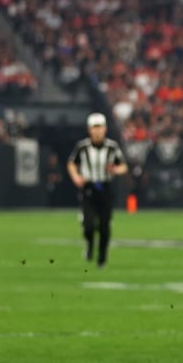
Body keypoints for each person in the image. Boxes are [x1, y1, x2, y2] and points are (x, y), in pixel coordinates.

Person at [67, 112, 128, 268]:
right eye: (95, 127)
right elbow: (72, 163)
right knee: (88, 225)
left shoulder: (112, 147)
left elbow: (123, 166)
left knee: (104, 226)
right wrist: (76, 178)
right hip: (88, 188)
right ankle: (89, 245)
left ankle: (102, 258)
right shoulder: (83, 147)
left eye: (100, 127)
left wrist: (115, 170)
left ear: (105, 129)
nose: (98, 131)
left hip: (105, 188)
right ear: (90, 130)